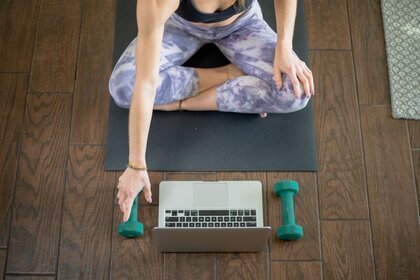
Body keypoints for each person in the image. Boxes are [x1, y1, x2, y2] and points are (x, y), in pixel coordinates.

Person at [110, 0, 315, 222]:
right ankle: (227, 75)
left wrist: (285, 46)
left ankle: (187, 102)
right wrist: (136, 165)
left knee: (296, 91)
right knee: (123, 88)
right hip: (180, 27)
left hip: (242, 25)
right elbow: (145, 84)